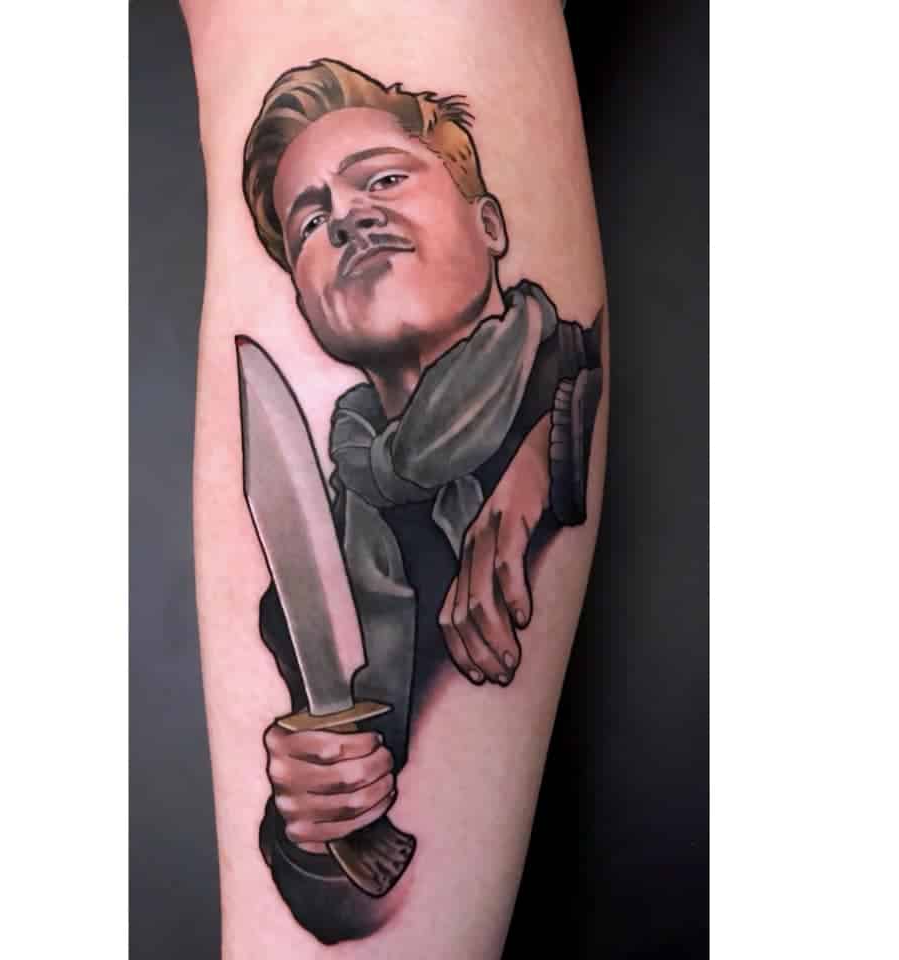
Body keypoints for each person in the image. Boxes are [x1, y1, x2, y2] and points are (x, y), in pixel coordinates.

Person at [182, 3, 609, 954]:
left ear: (491, 224)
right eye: (311, 220)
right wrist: (315, 831)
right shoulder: (310, 579)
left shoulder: (568, 389)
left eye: (382, 177)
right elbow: (362, 910)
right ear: (303, 303)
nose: (349, 217)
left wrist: (548, 450)